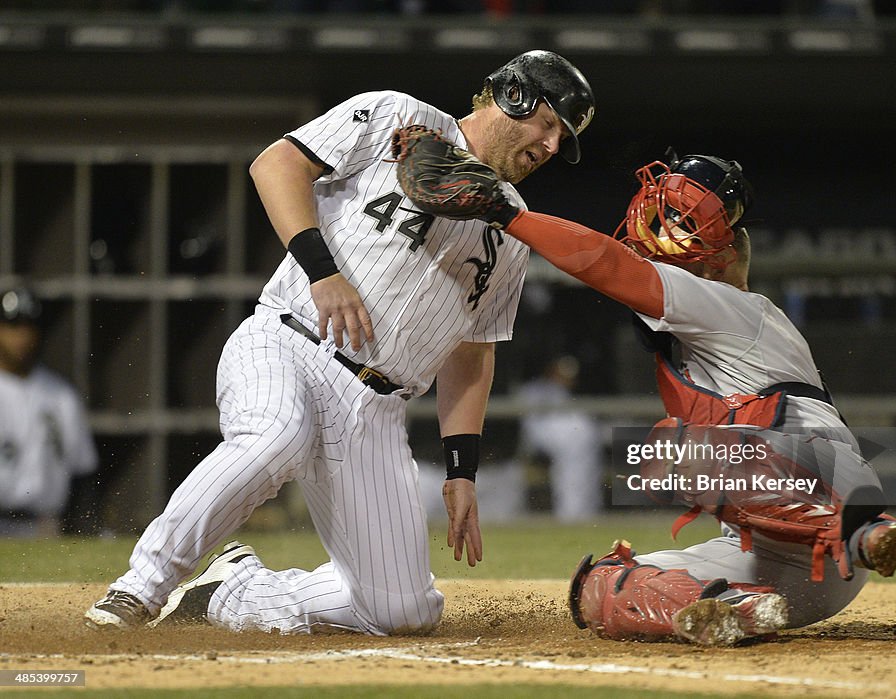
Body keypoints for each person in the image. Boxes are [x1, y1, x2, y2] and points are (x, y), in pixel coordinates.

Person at [84, 49, 596, 634]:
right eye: (549, 124)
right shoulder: (396, 115)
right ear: (513, 98)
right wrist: (322, 270)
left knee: (403, 612)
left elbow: (473, 350)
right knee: (275, 437)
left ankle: (233, 592)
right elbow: (274, 165)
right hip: (291, 343)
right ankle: (139, 589)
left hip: (377, 410)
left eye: (564, 139)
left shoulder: (511, 226)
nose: (552, 147)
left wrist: (462, 470)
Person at [392, 140, 896, 646]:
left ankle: (865, 532)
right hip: (796, 574)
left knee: (672, 449)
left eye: (685, 224)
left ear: (725, 257)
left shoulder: (730, 304)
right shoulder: (697, 330)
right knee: (597, 590)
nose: (668, 229)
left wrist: (503, 210)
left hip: (829, 488)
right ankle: (740, 610)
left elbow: (609, 266)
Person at [0, 285, 98, 538]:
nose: (21, 336)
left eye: (28, 326)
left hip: (45, 527)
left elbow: (82, 471)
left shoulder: (61, 395)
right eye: (12, 326)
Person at [516, 355, 603, 521]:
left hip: (578, 446)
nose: (566, 379)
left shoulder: (565, 392)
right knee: (575, 442)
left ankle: (585, 510)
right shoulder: (532, 390)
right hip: (547, 440)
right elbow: (531, 426)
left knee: (583, 438)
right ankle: (571, 512)